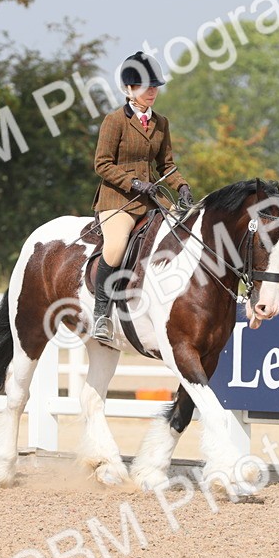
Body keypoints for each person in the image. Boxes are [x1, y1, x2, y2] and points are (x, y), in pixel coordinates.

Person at [90, 51, 194, 344]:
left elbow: (167, 166)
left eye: (155, 86)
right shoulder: (114, 121)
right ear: (129, 89)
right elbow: (102, 164)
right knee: (117, 245)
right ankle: (101, 313)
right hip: (118, 201)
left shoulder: (162, 122)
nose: (152, 92)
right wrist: (134, 182)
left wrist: (182, 186)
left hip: (151, 200)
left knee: (182, 233)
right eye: (146, 86)